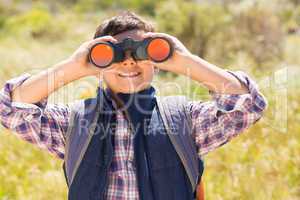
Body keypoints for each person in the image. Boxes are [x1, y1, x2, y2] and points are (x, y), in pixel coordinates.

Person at [0, 11, 267, 200]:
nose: (128, 63)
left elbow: (247, 106)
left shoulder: (185, 120)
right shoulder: (75, 123)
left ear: (158, 64)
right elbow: (11, 108)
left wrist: (184, 61)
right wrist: (74, 67)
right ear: (98, 65)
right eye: (113, 55)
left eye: (141, 53)